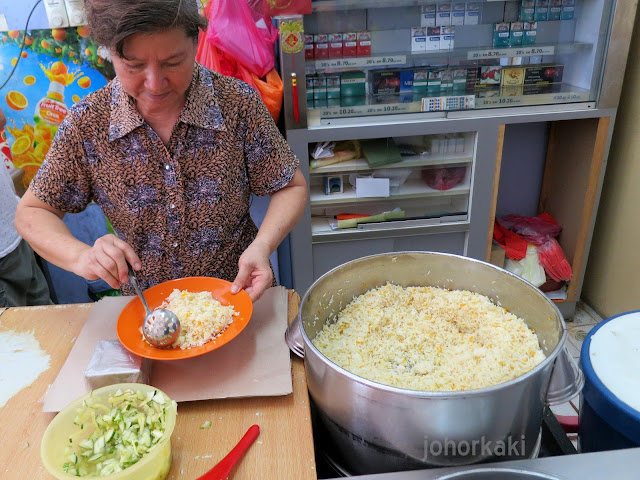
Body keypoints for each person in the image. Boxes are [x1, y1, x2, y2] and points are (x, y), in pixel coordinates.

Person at [15, 0, 307, 303]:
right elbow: (32, 212)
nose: (155, 84)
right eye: (135, 65)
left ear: (195, 41)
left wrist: (262, 246)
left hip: (239, 298)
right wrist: (82, 257)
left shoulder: (236, 103)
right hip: (150, 315)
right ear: (109, 53)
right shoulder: (89, 123)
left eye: (172, 62)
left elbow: (291, 187)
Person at [0, 106, 52, 307]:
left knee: (49, 318)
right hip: (7, 244)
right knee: (16, 334)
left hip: (14, 230)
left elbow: (1, 119)